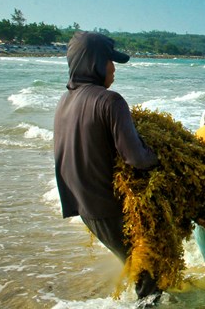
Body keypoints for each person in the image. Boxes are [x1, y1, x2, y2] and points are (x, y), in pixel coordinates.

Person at [53, 31, 161, 307]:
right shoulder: (110, 101)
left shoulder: (65, 101)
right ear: (96, 64)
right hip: (107, 206)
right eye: (110, 62)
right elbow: (136, 158)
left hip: (81, 204)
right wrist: (158, 156)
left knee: (140, 267)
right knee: (149, 274)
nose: (113, 69)